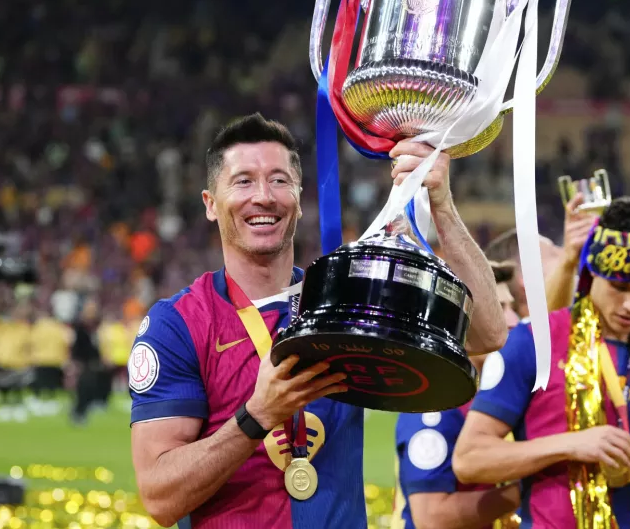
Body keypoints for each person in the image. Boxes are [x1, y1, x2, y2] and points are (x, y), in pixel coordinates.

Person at [128, 113, 505, 529]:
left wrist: (442, 206)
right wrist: (257, 416)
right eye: (243, 181)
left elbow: (488, 332)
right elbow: (160, 498)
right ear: (210, 204)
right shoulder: (179, 324)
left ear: (299, 198)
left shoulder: (339, 302)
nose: (264, 196)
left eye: (279, 180)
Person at [453, 196, 630, 528]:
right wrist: (569, 444)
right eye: (619, 286)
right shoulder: (536, 343)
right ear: (592, 270)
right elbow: (469, 459)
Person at [391, 262, 521, 529]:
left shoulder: (491, 393)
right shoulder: (436, 402)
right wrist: (524, 491)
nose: (512, 320)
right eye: (498, 308)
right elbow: (431, 518)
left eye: (511, 307)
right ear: (458, 318)